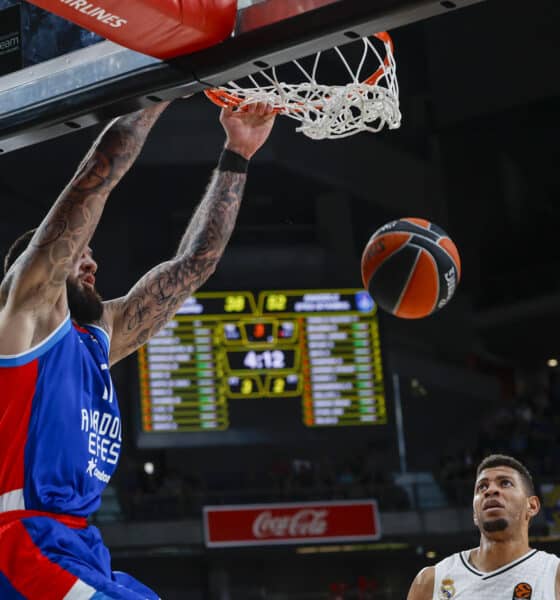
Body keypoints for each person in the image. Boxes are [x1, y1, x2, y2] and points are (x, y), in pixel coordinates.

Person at [0, 100, 275, 599]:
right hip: (22, 543)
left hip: (82, 546)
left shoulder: (100, 338)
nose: (91, 262)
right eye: (79, 254)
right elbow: (93, 183)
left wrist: (238, 152)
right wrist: (156, 90)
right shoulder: (28, 315)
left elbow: (194, 265)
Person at [407, 454, 560, 599]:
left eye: (505, 483)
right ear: (475, 514)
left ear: (532, 506)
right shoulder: (430, 582)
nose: (490, 490)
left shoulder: (554, 575)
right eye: (482, 487)